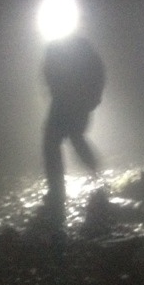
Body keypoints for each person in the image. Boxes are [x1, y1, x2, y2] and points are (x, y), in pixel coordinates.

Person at [42, 35, 105, 220]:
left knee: (73, 138)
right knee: (53, 142)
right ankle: (57, 191)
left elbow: (97, 72)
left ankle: (95, 174)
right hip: (63, 103)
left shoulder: (81, 47)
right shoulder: (56, 46)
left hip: (77, 102)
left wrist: (92, 99)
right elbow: (47, 72)